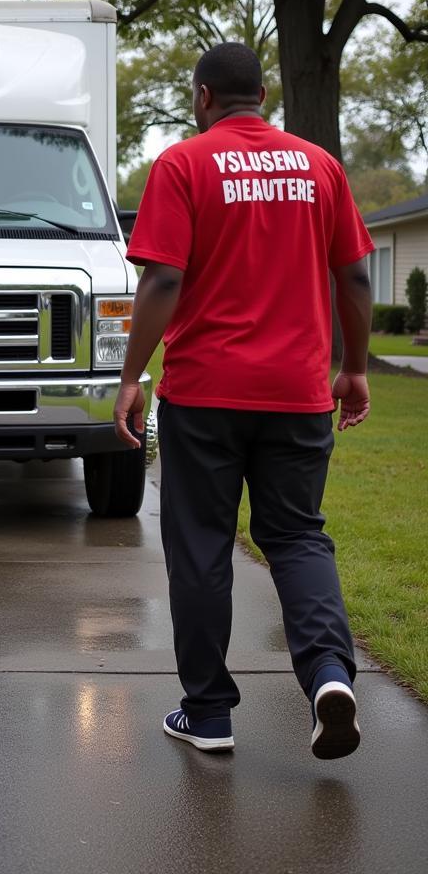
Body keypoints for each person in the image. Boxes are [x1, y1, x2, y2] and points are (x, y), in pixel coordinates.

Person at [114, 43, 373, 760]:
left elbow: (162, 280)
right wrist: (351, 368)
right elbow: (354, 275)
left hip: (205, 391)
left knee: (201, 547)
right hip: (296, 392)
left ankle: (209, 712)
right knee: (296, 536)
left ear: (203, 97)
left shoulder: (184, 163)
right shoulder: (319, 166)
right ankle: (327, 674)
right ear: (263, 94)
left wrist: (133, 374)